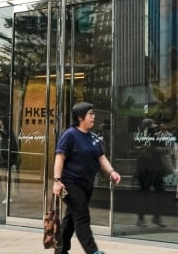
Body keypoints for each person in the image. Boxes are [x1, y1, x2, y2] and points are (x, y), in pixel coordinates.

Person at [52, 102, 121, 254]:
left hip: (86, 185)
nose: (93, 116)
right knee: (82, 215)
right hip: (69, 184)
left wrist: (112, 171)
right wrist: (57, 181)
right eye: (90, 114)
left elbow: (101, 157)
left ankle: (60, 250)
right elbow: (60, 157)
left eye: (93, 113)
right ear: (80, 117)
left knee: (72, 217)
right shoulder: (70, 135)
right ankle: (92, 250)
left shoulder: (92, 137)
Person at [135, 118, 167, 227]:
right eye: (150, 128)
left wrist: (156, 149)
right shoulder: (140, 137)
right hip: (145, 170)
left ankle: (156, 217)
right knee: (143, 194)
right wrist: (144, 148)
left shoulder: (157, 137)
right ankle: (141, 218)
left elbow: (165, 149)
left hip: (156, 169)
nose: (153, 130)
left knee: (160, 193)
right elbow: (135, 149)